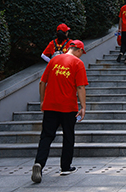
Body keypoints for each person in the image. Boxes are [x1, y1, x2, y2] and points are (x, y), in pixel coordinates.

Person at [31, 40, 88, 184]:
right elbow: (80, 87)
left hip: (50, 105)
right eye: (81, 53)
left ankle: (39, 163)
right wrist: (83, 106)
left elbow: (42, 82)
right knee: (68, 136)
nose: (81, 56)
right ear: (78, 50)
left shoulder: (54, 60)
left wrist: (43, 101)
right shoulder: (77, 63)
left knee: (46, 136)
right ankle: (65, 167)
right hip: (68, 107)